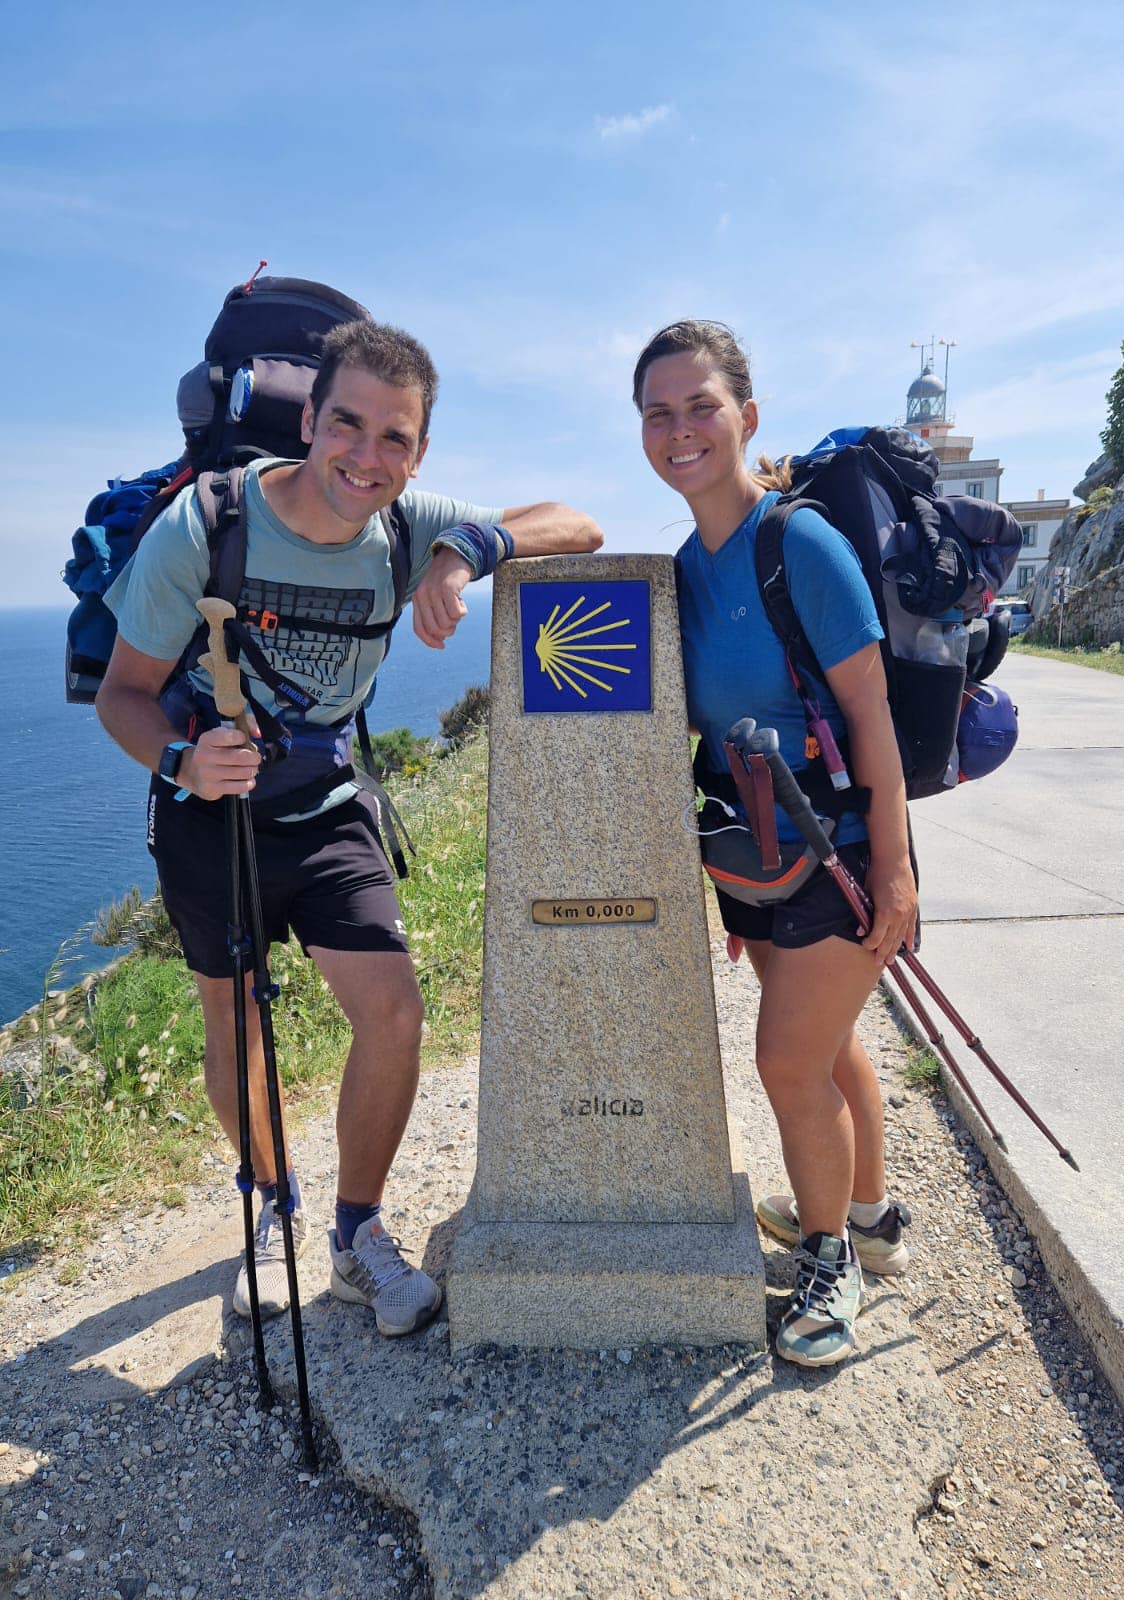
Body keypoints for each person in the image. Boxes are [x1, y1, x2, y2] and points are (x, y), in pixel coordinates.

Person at [97, 317, 603, 1338]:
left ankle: (354, 1233)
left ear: (420, 452)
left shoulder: (409, 526)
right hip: (210, 813)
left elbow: (577, 522)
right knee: (235, 1021)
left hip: (327, 805)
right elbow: (123, 694)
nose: (367, 456)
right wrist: (183, 760)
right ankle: (271, 1200)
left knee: (394, 1012)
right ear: (309, 422)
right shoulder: (208, 526)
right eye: (347, 425)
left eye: (395, 438)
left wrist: (462, 557)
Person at [632, 320, 915, 1367]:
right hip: (752, 857)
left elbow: (872, 716)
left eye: (700, 406)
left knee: (786, 1062)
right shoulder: (680, 570)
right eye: (658, 412)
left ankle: (830, 1262)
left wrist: (896, 869)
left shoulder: (801, 545)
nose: (680, 429)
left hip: (836, 853)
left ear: (746, 417)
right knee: (828, 1048)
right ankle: (870, 1219)